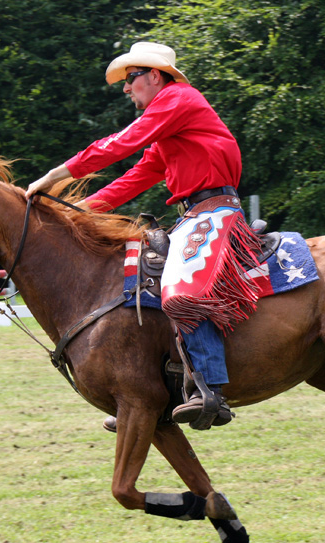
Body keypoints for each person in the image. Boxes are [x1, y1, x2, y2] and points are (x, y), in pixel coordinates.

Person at [26, 42, 262, 429]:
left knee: (183, 289)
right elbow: (135, 178)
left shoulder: (177, 98)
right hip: (194, 217)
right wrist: (74, 214)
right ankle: (150, 392)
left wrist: (54, 177)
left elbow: (121, 144)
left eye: (131, 78)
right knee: (141, 288)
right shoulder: (170, 128)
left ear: (155, 76)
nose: (125, 88)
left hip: (216, 212)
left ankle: (210, 390)